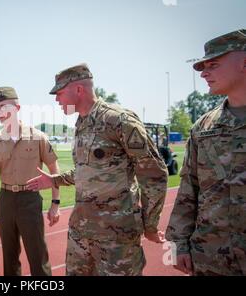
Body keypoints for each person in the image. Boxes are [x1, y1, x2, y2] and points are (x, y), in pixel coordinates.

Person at [26, 64, 168, 276]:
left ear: (79, 90)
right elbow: (88, 170)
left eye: (60, 93)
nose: (57, 100)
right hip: (81, 233)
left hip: (116, 236)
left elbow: (154, 173)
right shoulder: (81, 123)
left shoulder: (119, 120)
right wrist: (55, 180)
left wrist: (150, 224)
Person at [165, 29, 246, 276]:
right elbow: (190, 187)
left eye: (214, 64)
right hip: (212, 258)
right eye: (202, 67)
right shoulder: (203, 127)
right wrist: (178, 242)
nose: (204, 73)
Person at [0, 87, 60, 276]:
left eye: (3, 107)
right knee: (9, 256)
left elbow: (54, 171)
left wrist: (55, 204)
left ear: (17, 107)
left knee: (37, 254)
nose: (0, 113)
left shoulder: (38, 137)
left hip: (30, 200)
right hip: (6, 200)